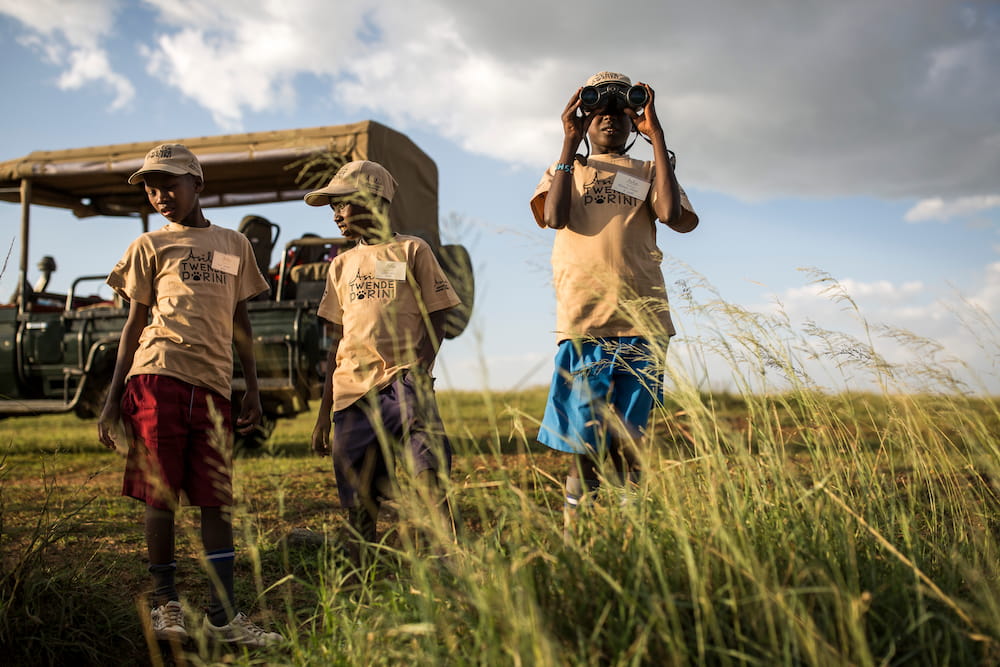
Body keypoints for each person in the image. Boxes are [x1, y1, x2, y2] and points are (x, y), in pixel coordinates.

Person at [97, 143, 283, 647]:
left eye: (170, 184)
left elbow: (241, 322)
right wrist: (113, 400)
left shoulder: (233, 245)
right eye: (151, 188)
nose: (160, 196)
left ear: (197, 184)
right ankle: (166, 605)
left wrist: (252, 388)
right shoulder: (148, 246)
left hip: (215, 385)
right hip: (157, 377)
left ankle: (223, 617)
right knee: (160, 494)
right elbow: (133, 325)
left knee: (215, 499)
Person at [529, 72, 699, 531]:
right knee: (583, 437)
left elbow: (671, 214)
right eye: (598, 110)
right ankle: (578, 532)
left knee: (629, 437)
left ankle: (630, 536)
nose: (609, 118)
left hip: (643, 322)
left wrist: (657, 136)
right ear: (584, 119)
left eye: (620, 111)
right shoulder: (567, 170)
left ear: (632, 121)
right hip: (586, 322)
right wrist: (569, 144)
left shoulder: (648, 170)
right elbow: (554, 216)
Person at [306, 160, 460, 563]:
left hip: (403, 382)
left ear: (374, 200)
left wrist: (421, 369)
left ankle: (446, 558)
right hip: (351, 395)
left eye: (343, 204)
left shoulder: (412, 250)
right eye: (332, 208)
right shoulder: (340, 266)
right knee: (359, 497)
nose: (336, 215)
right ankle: (361, 574)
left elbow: (439, 313)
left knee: (427, 466)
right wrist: (324, 414)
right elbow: (337, 342)